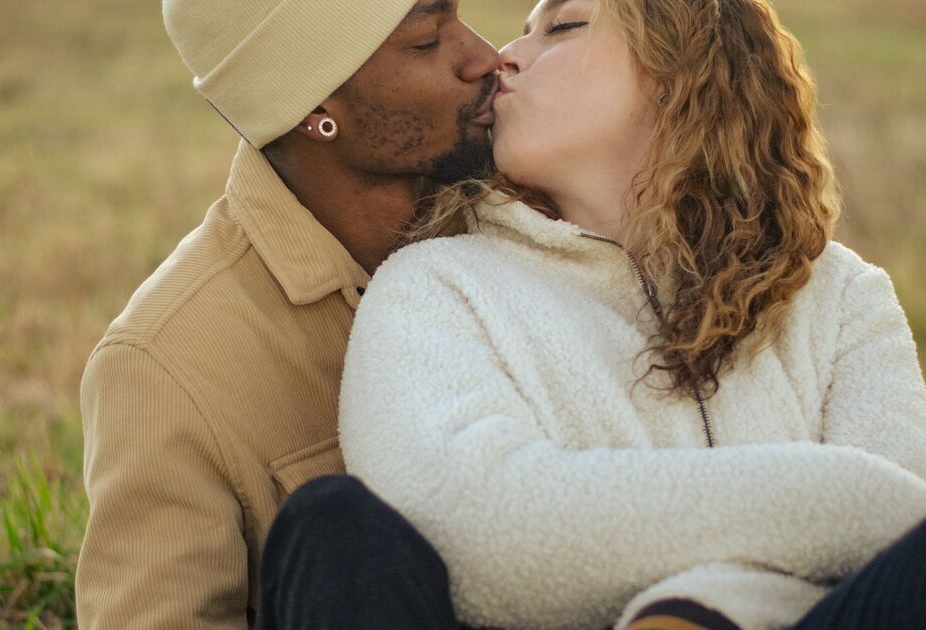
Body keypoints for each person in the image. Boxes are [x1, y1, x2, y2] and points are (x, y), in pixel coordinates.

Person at [306, 0, 926, 628]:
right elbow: (475, 530)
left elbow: (897, 569)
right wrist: (851, 495)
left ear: (686, 70)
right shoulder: (437, 286)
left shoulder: (839, 294)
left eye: (562, 27)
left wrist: (698, 611)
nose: (503, 57)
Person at [76, 0, 499, 627]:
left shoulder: (535, 213)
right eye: (426, 41)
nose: (485, 57)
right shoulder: (163, 365)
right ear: (315, 112)